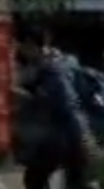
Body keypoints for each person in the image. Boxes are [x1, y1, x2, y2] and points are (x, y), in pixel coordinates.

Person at [17, 28, 97, 189]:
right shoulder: (65, 61)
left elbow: (60, 101)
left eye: (23, 46)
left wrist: (21, 95)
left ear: (31, 45)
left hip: (66, 133)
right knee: (77, 182)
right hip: (81, 130)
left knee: (35, 179)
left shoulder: (51, 68)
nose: (21, 51)